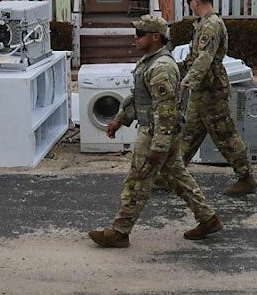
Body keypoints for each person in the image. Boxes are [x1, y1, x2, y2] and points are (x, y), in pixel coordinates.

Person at [88, 14, 222, 248]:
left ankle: (119, 231)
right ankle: (208, 218)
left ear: (156, 37)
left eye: (140, 34)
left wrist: (158, 146)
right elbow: (139, 98)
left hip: (156, 132)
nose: (136, 38)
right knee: (177, 177)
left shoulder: (161, 67)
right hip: (159, 131)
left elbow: (166, 110)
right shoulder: (149, 61)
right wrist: (120, 119)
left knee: (137, 181)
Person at [177, 0, 257, 195]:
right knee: (189, 133)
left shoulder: (211, 25)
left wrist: (188, 81)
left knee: (225, 135)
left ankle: (246, 177)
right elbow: (195, 56)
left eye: (190, 1)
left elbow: (205, 58)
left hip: (211, 90)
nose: (190, 6)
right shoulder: (204, 23)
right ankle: (172, 174)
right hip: (202, 89)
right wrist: (180, 70)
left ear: (197, 1)